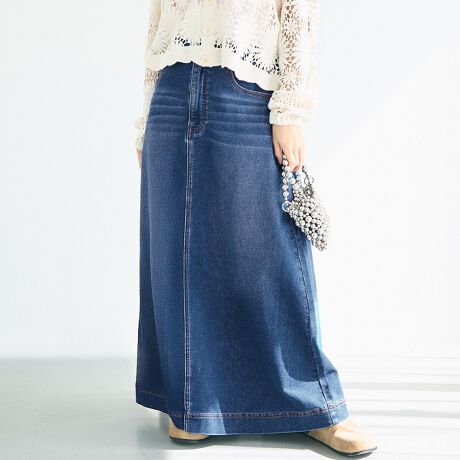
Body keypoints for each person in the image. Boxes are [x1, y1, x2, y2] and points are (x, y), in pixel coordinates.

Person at [134, 1, 378, 457]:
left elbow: (297, 9)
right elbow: (159, 17)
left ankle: (314, 407)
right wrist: (147, 114)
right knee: (176, 254)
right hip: (172, 87)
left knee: (269, 255)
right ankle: (193, 406)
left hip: (247, 85)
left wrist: (291, 109)